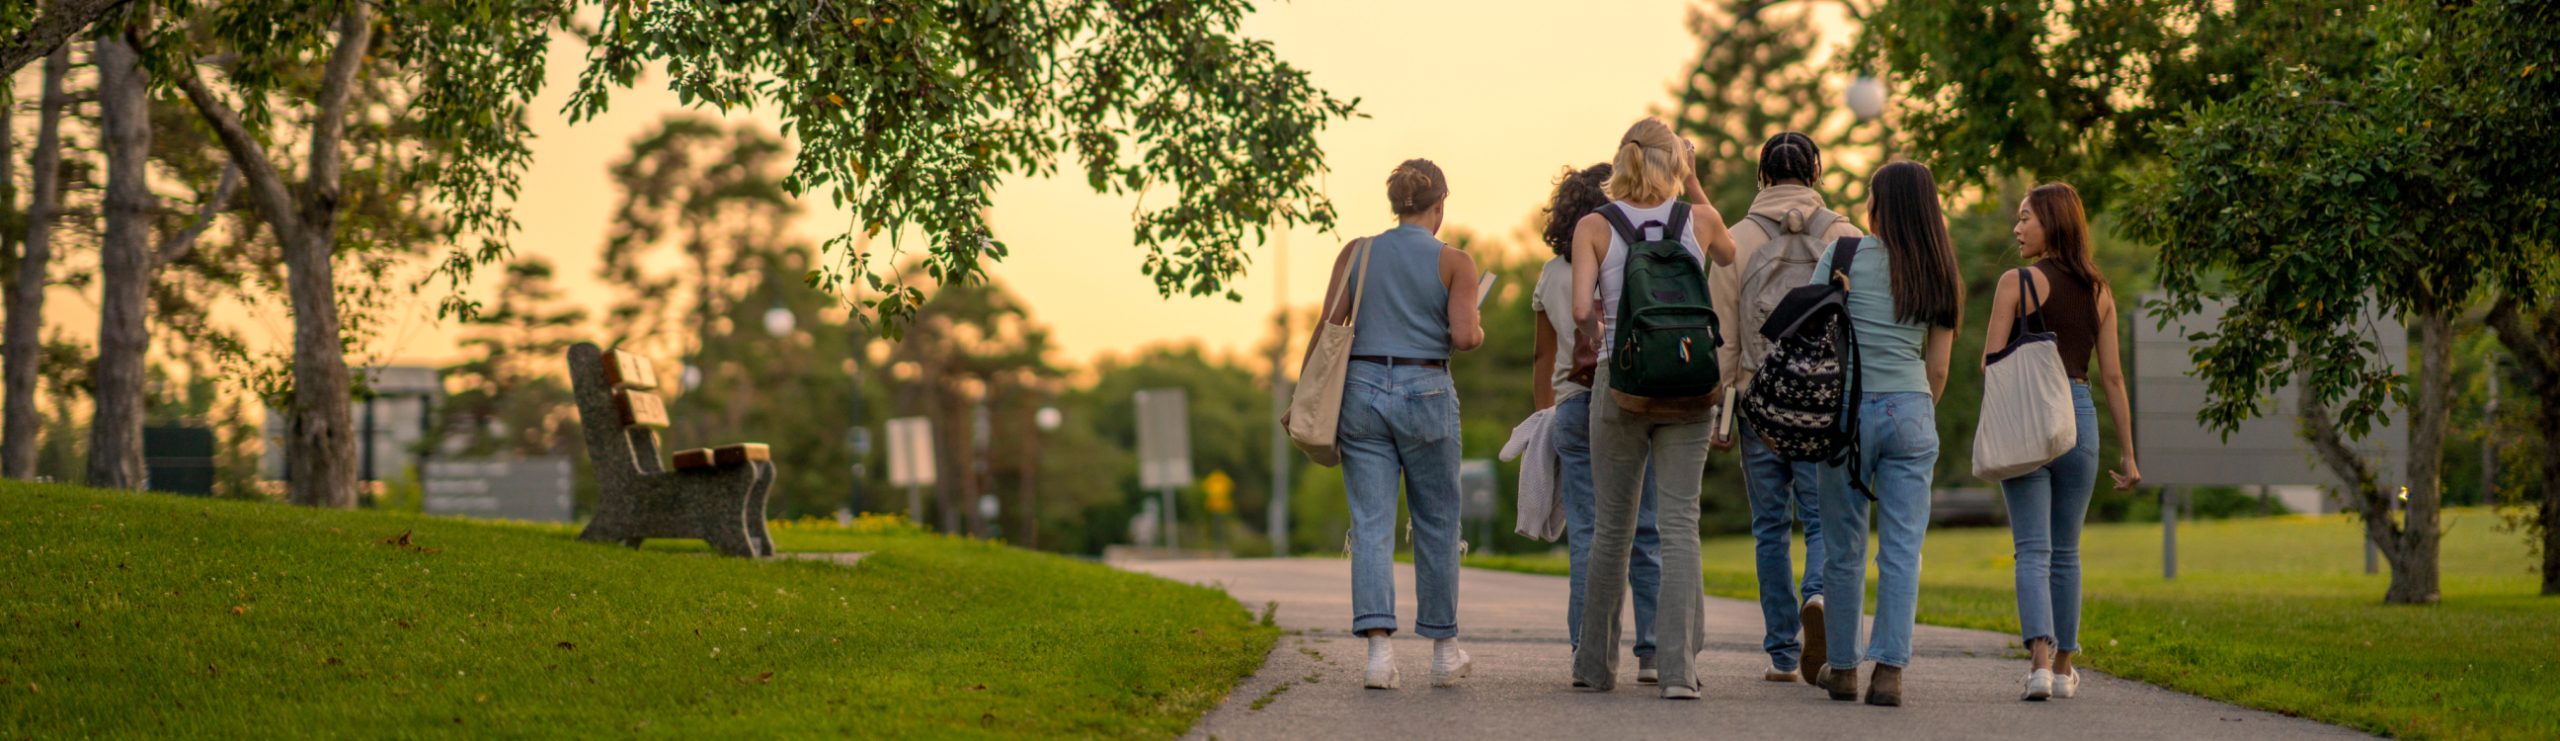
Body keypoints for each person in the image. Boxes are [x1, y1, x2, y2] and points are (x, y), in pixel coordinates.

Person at [1293, 158, 1485, 690]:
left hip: (1361, 390)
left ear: (1395, 204)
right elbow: (1466, 337)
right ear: (1440, 206)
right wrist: (1473, 323)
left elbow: (1329, 325)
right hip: (1426, 390)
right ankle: (1444, 652)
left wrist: (1302, 394)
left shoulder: (1358, 252)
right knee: (1437, 523)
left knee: (1371, 524)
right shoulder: (1456, 262)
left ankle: (1379, 656)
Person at [1569, 118, 1738, 699]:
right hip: (1691, 378)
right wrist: (1692, 183)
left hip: (1622, 382)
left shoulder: (1594, 225)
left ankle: (1594, 666)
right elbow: (1731, 252)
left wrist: (1604, 337)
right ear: (1676, 161)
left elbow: (1579, 312)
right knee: (1679, 526)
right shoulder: (1701, 220)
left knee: (1612, 528)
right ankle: (1677, 673)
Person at [1709, 132, 1864, 684]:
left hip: (1758, 402)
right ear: (1816, 173)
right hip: (1825, 406)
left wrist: (1722, 416)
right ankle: (1819, 594)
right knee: (1822, 520)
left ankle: (1781, 653)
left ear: (1762, 175)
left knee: (1769, 526)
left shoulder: (1735, 240)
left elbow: (1723, 338)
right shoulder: (1846, 238)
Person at [1809, 160, 1962, 708]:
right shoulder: (1939, 268)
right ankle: (1890, 672)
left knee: (1843, 548)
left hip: (1844, 417)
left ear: (1879, 205)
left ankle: (1844, 668)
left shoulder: (1842, 254)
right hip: (1912, 410)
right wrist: (1913, 408)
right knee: (1902, 549)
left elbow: (1813, 333)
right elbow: (1938, 368)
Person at [1987, 182, 2142, 701]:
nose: (2017, 228)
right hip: (2079, 416)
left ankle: (2037, 665)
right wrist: (2129, 453)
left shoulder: (2017, 283)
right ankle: (2064, 667)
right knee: (2066, 552)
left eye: (2026, 217)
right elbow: (2114, 378)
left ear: (2052, 222)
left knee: (2031, 548)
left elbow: (1992, 363)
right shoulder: (2100, 291)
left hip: (2029, 416)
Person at [1530, 163, 1667, 685]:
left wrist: (1545, 412)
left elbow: (1543, 358)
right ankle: (1651, 651)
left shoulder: (1552, 273)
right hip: (1632, 399)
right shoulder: (1630, 258)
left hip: (1571, 407)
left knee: (1588, 534)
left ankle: (1585, 649)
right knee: (1646, 528)